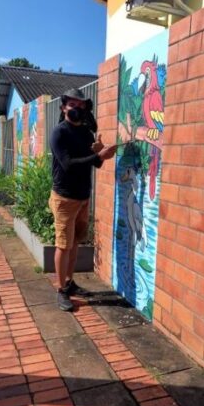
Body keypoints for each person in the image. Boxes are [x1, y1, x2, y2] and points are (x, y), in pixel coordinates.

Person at [49, 88, 117, 311]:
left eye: (81, 106)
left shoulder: (87, 134)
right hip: (64, 198)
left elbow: (95, 164)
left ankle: (69, 283)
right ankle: (60, 290)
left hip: (83, 197)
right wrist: (97, 155)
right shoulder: (59, 133)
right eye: (72, 105)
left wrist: (101, 153)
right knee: (63, 245)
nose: (77, 109)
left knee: (76, 242)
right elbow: (68, 164)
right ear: (63, 107)